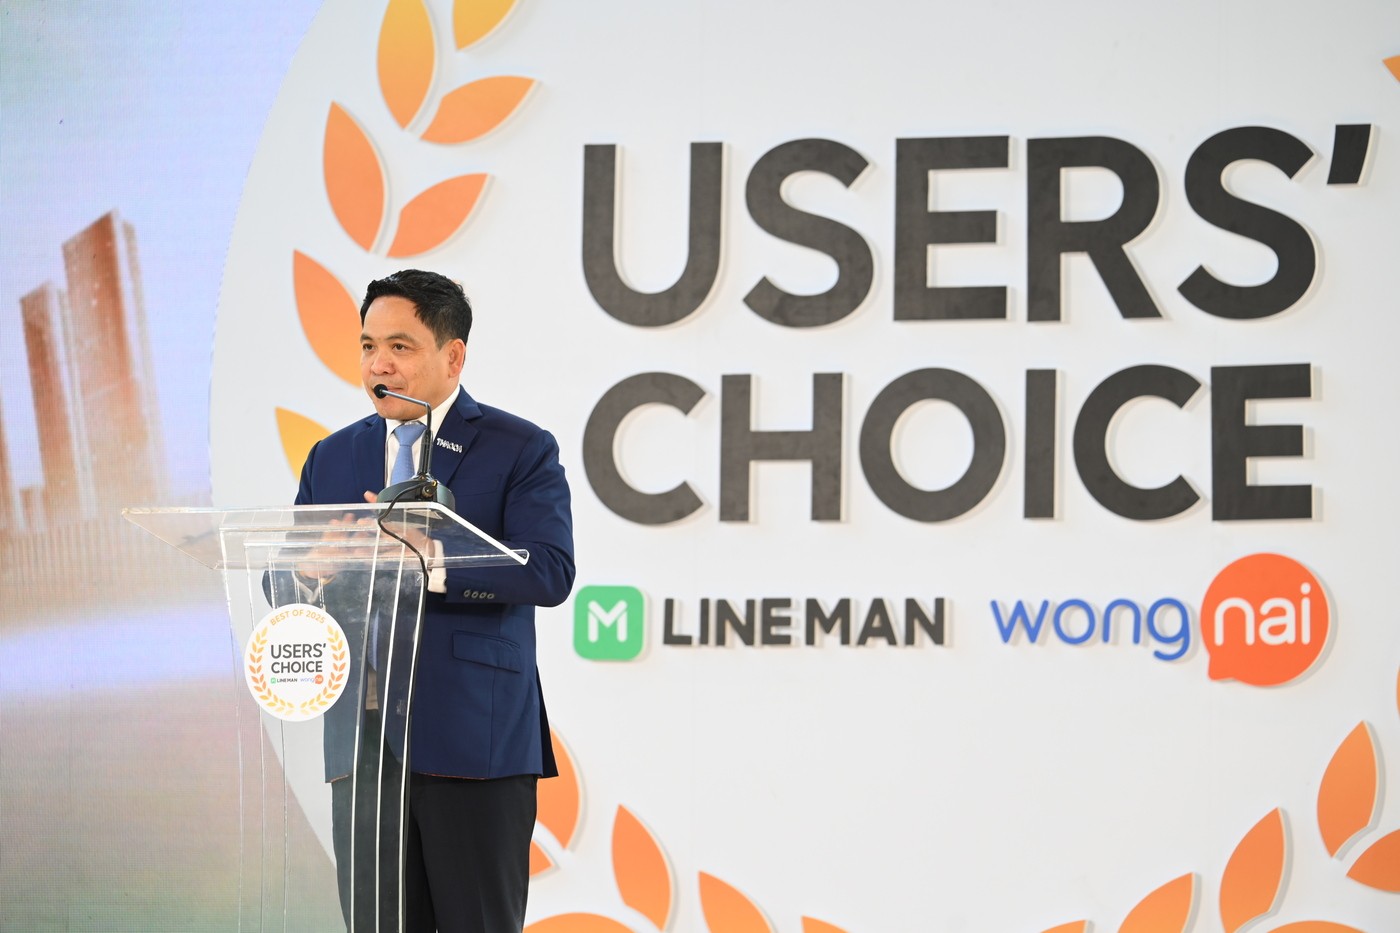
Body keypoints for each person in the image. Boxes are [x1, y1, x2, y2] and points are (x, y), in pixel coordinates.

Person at [292, 268, 575, 932]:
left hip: (473, 738)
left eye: (400, 346)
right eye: (368, 346)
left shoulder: (519, 448)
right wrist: (310, 571)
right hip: (363, 747)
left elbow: (549, 570)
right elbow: (285, 583)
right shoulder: (331, 457)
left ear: (453, 356)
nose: (378, 364)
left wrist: (434, 559)